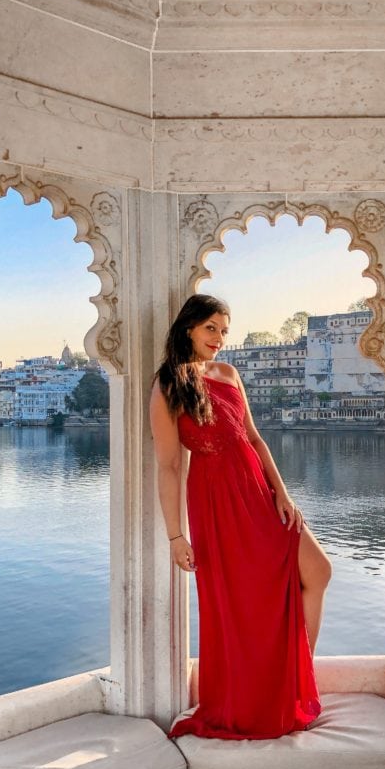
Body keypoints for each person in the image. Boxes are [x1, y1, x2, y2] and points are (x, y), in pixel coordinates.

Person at [149, 294, 332, 740]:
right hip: (215, 503)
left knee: (318, 571)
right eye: (211, 328)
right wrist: (176, 536)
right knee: (240, 604)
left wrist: (282, 495)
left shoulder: (229, 374)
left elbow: (254, 438)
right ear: (188, 327)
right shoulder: (168, 385)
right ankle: (262, 697)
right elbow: (170, 465)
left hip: (259, 492)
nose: (219, 339)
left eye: (224, 330)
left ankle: (291, 682)